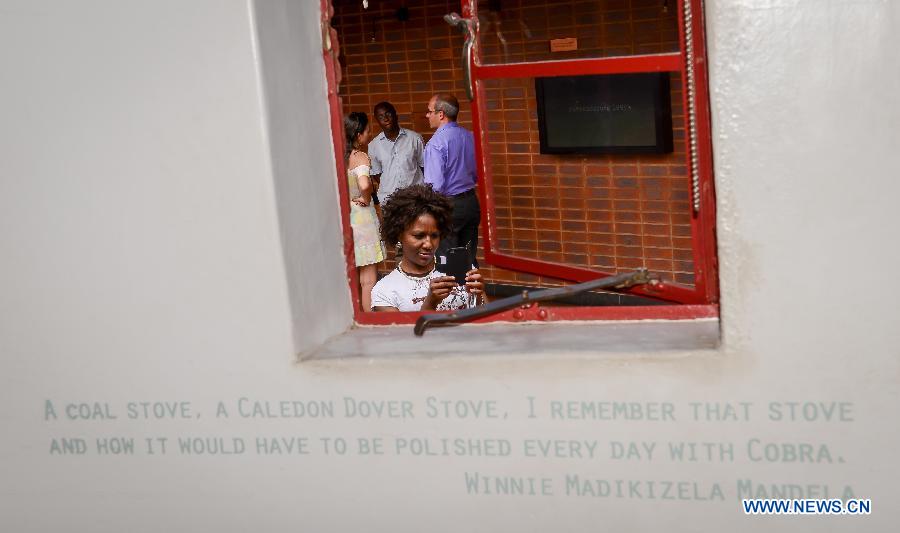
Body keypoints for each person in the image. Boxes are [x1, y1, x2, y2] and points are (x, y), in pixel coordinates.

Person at [371, 184, 486, 312]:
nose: (428, 244)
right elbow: (403, 332)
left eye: (434, 236)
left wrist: (479, 294)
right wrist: (430, 304)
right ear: (399, 234)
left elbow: (490, 322)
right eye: (419, 236)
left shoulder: (460, 268)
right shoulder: (384, 291)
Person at [423, 92, 480, 266]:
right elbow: (478, 173)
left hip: (448, 206)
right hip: (471, 202)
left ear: (441, 114)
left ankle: (452, 294)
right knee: (469, 259)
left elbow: (435, 186)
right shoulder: (470, 137)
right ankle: (473, 293)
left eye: (429, 111)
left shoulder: (436, 144)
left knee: (447, 261)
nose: (427, 115)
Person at [344, 112, 385, 312]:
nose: (370, 134)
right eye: (368, 131)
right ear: (358, 134)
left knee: (349, 272)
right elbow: (364, 183)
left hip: (345, 216)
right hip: (362, 219)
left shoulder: (338, 157)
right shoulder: (360, 156)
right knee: (368, 279)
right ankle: (369, 317)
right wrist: (366, 197)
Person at [368, 101, 425, 203]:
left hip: (415, 197)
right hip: (390, 200)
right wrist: (390, 187)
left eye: (388, 114)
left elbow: (423, 166)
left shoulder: (414, 138)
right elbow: (376, 173)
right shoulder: (373, 145)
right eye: (380, 117)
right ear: (377, 121)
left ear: (396, 115)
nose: (385, 119)